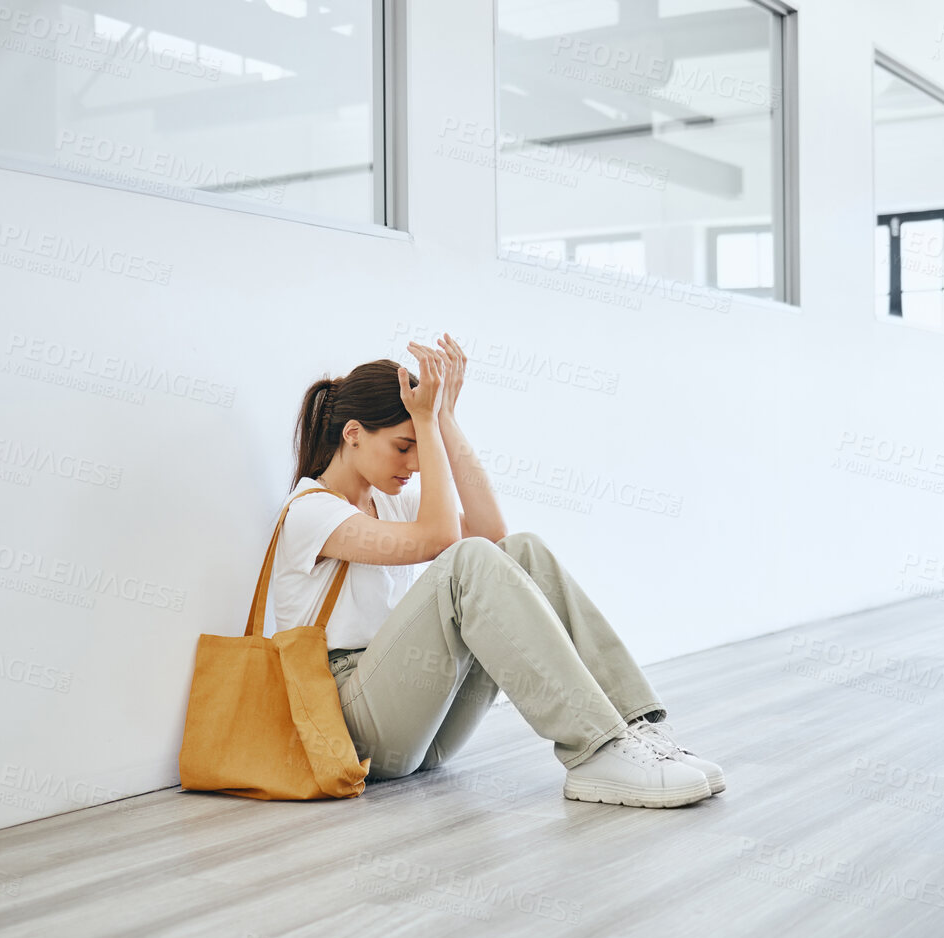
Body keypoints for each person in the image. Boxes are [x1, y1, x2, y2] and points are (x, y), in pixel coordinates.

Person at [270, 334, 725, 808]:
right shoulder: (311, 513)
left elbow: (491, 532)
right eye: (405, 446)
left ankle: (633, 729)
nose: (416, 465)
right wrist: (425, 416)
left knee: (520, 550)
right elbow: (446, 542)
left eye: (420, 450)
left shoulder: (388, 502)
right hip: (349, 726)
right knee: (466, 561)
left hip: (418, 728)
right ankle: (595, 750)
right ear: (353, 433)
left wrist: (444, 418)